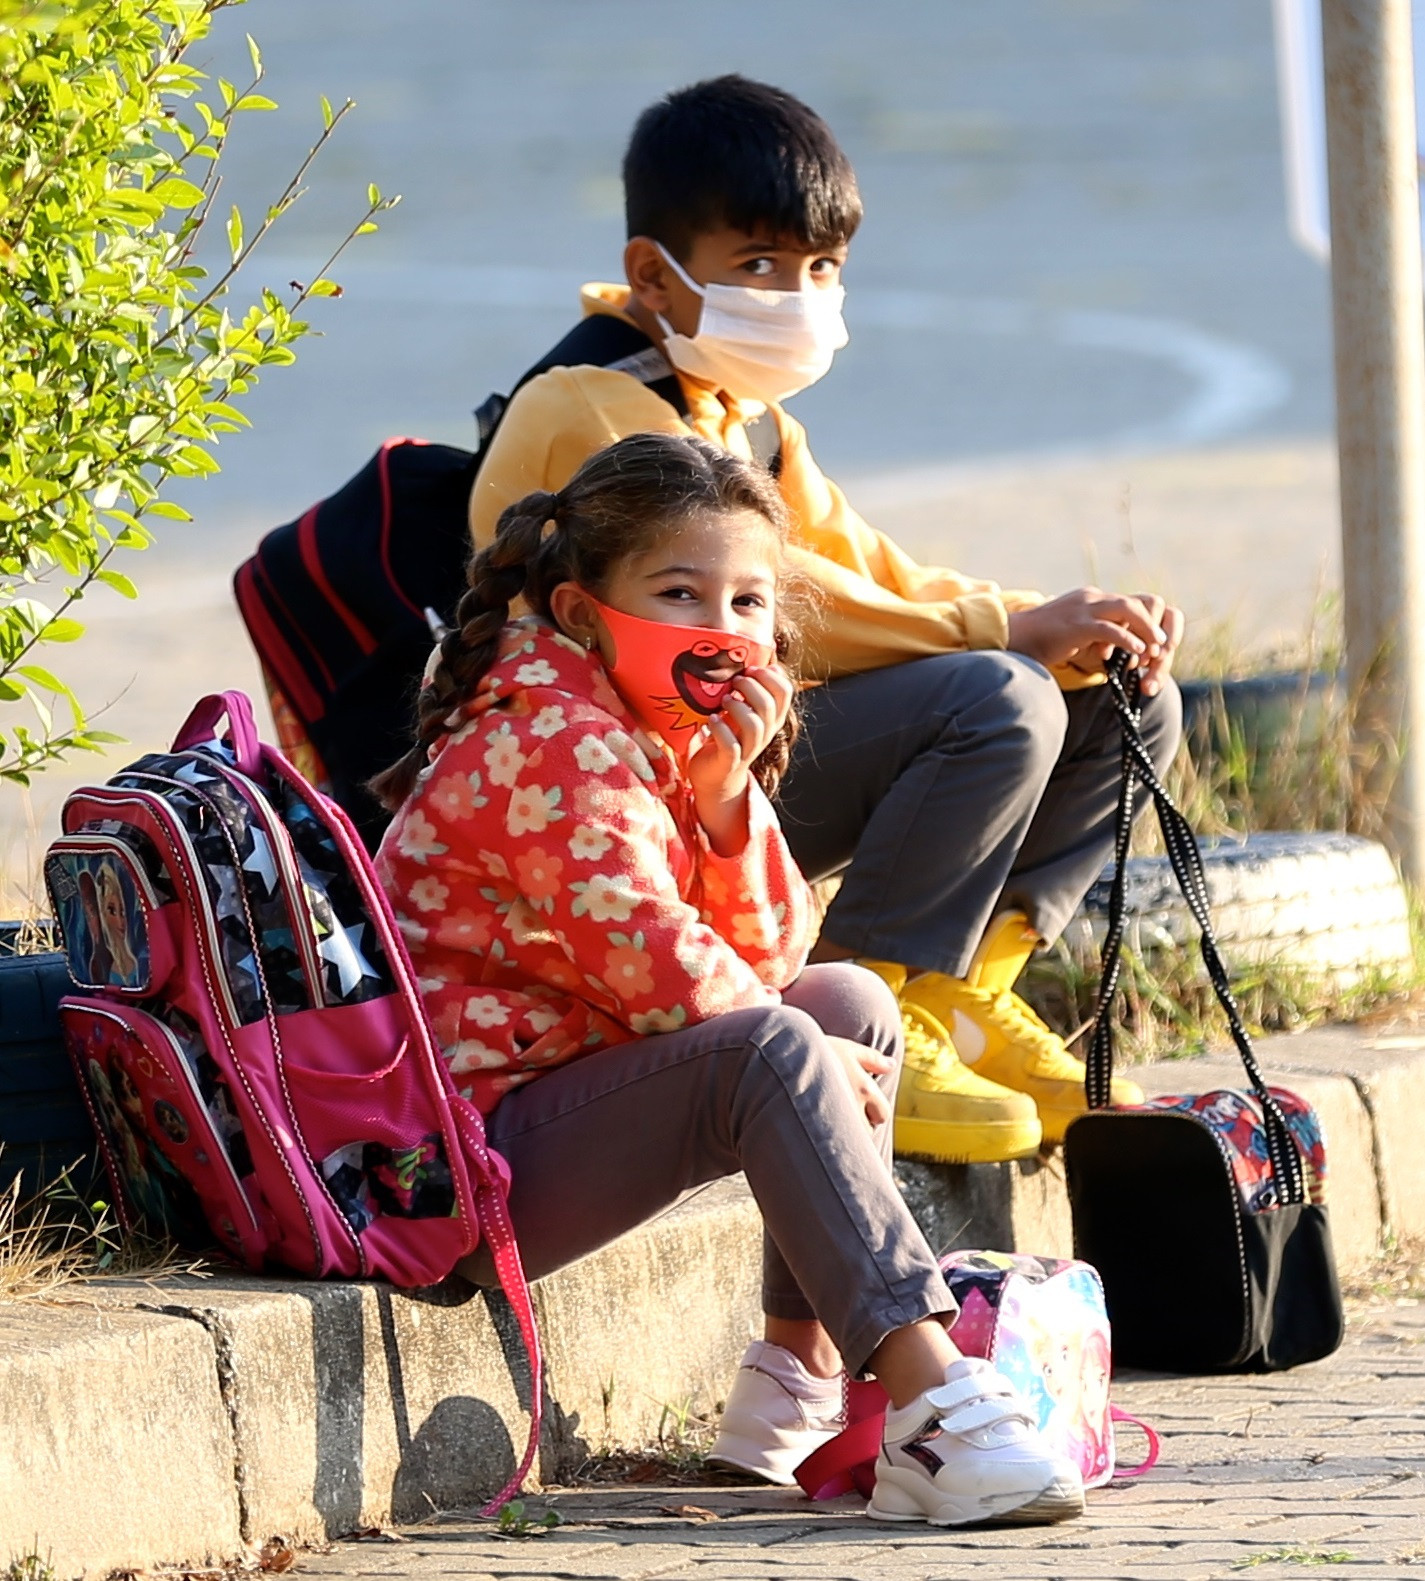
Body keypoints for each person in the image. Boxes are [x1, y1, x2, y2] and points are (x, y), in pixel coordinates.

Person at [468, 74, 1184, 1168]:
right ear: (652, 275)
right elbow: (798, 608)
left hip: (726, 758)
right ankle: (862, 1010)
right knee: (996, 697)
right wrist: (1008, 630)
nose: (796, 295)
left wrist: (1056, 622)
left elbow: (878, 570)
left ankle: (957, 1001)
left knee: (1122, 698)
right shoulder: (592, 409)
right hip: (623, 805)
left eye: (820, 269)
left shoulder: (747, 422)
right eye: (757, 265)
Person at [374, 431, 1084, 1526]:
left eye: (750, 602)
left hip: (556, 1098)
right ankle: (934, 1403)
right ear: (579, 613)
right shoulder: (546, 737)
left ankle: (788, 1397)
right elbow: (657, 967)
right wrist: (795, 1056)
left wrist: (721, 799)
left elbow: (775, 962)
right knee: (778, 1043)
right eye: (680, 592)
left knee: (845, 1004)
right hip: (462, 1163)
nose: (724, 630)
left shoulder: (645, 729)